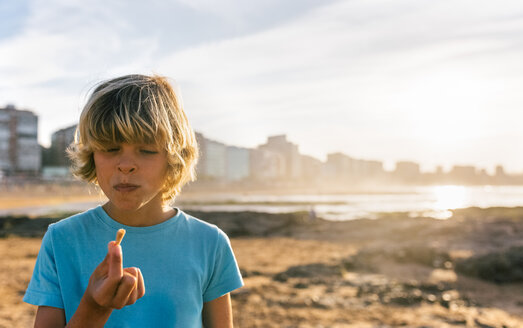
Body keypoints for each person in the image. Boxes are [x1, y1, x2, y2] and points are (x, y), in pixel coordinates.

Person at [23, 74, 243, 327]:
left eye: (147, 150)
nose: (125, 166)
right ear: (91, 154)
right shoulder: (61, 240)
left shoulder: (210, 243)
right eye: (110, 148)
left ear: (174, 157)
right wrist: (94, 308)